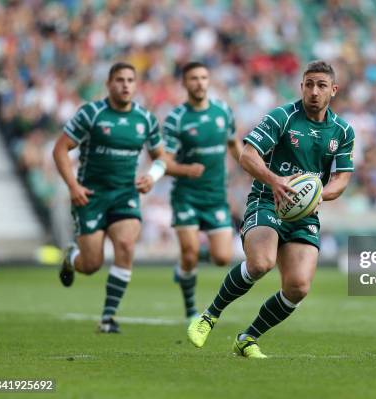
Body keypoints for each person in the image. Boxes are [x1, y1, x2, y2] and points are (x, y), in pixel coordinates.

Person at [187, 60, 355, 358]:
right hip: (267, 200)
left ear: (334, 90)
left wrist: (321, 195)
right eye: (309, 84)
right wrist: (275, 181)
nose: (314, 91)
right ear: (301, 86)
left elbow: (342, 179)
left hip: (304, 213)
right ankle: (209, 316)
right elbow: (248, 156)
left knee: (298, 287)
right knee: (261, 263)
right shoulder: (283, 116)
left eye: (321, 85)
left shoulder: (342, 131)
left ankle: (247, 338)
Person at [53, 62, 166, 333]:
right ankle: (73, 257)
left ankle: (107, 318)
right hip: (90, 196)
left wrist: (152, 176)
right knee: (91, 265)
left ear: (136, 85)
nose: (125, 85)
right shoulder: (91, 114)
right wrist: (73, 186)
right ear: (109, 84)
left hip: (125, 195)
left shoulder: (145, 119)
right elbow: (60, 150)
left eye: (130, 80)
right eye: (119, 80)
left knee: (126, 246)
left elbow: (161, 158)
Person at [162, 62, 243, 320]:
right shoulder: (177, 118)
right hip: (186, 196)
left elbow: (234, 145)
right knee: (190, 253)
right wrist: (185, 170)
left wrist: (252, 168)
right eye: (193, 78)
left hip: (216, 196)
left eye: (203, 77)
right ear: (185, 83)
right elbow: (164, 161)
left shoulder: (223, 112)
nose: (199, 82)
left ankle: (184, 269)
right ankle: (190, 310)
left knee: (222, 257)